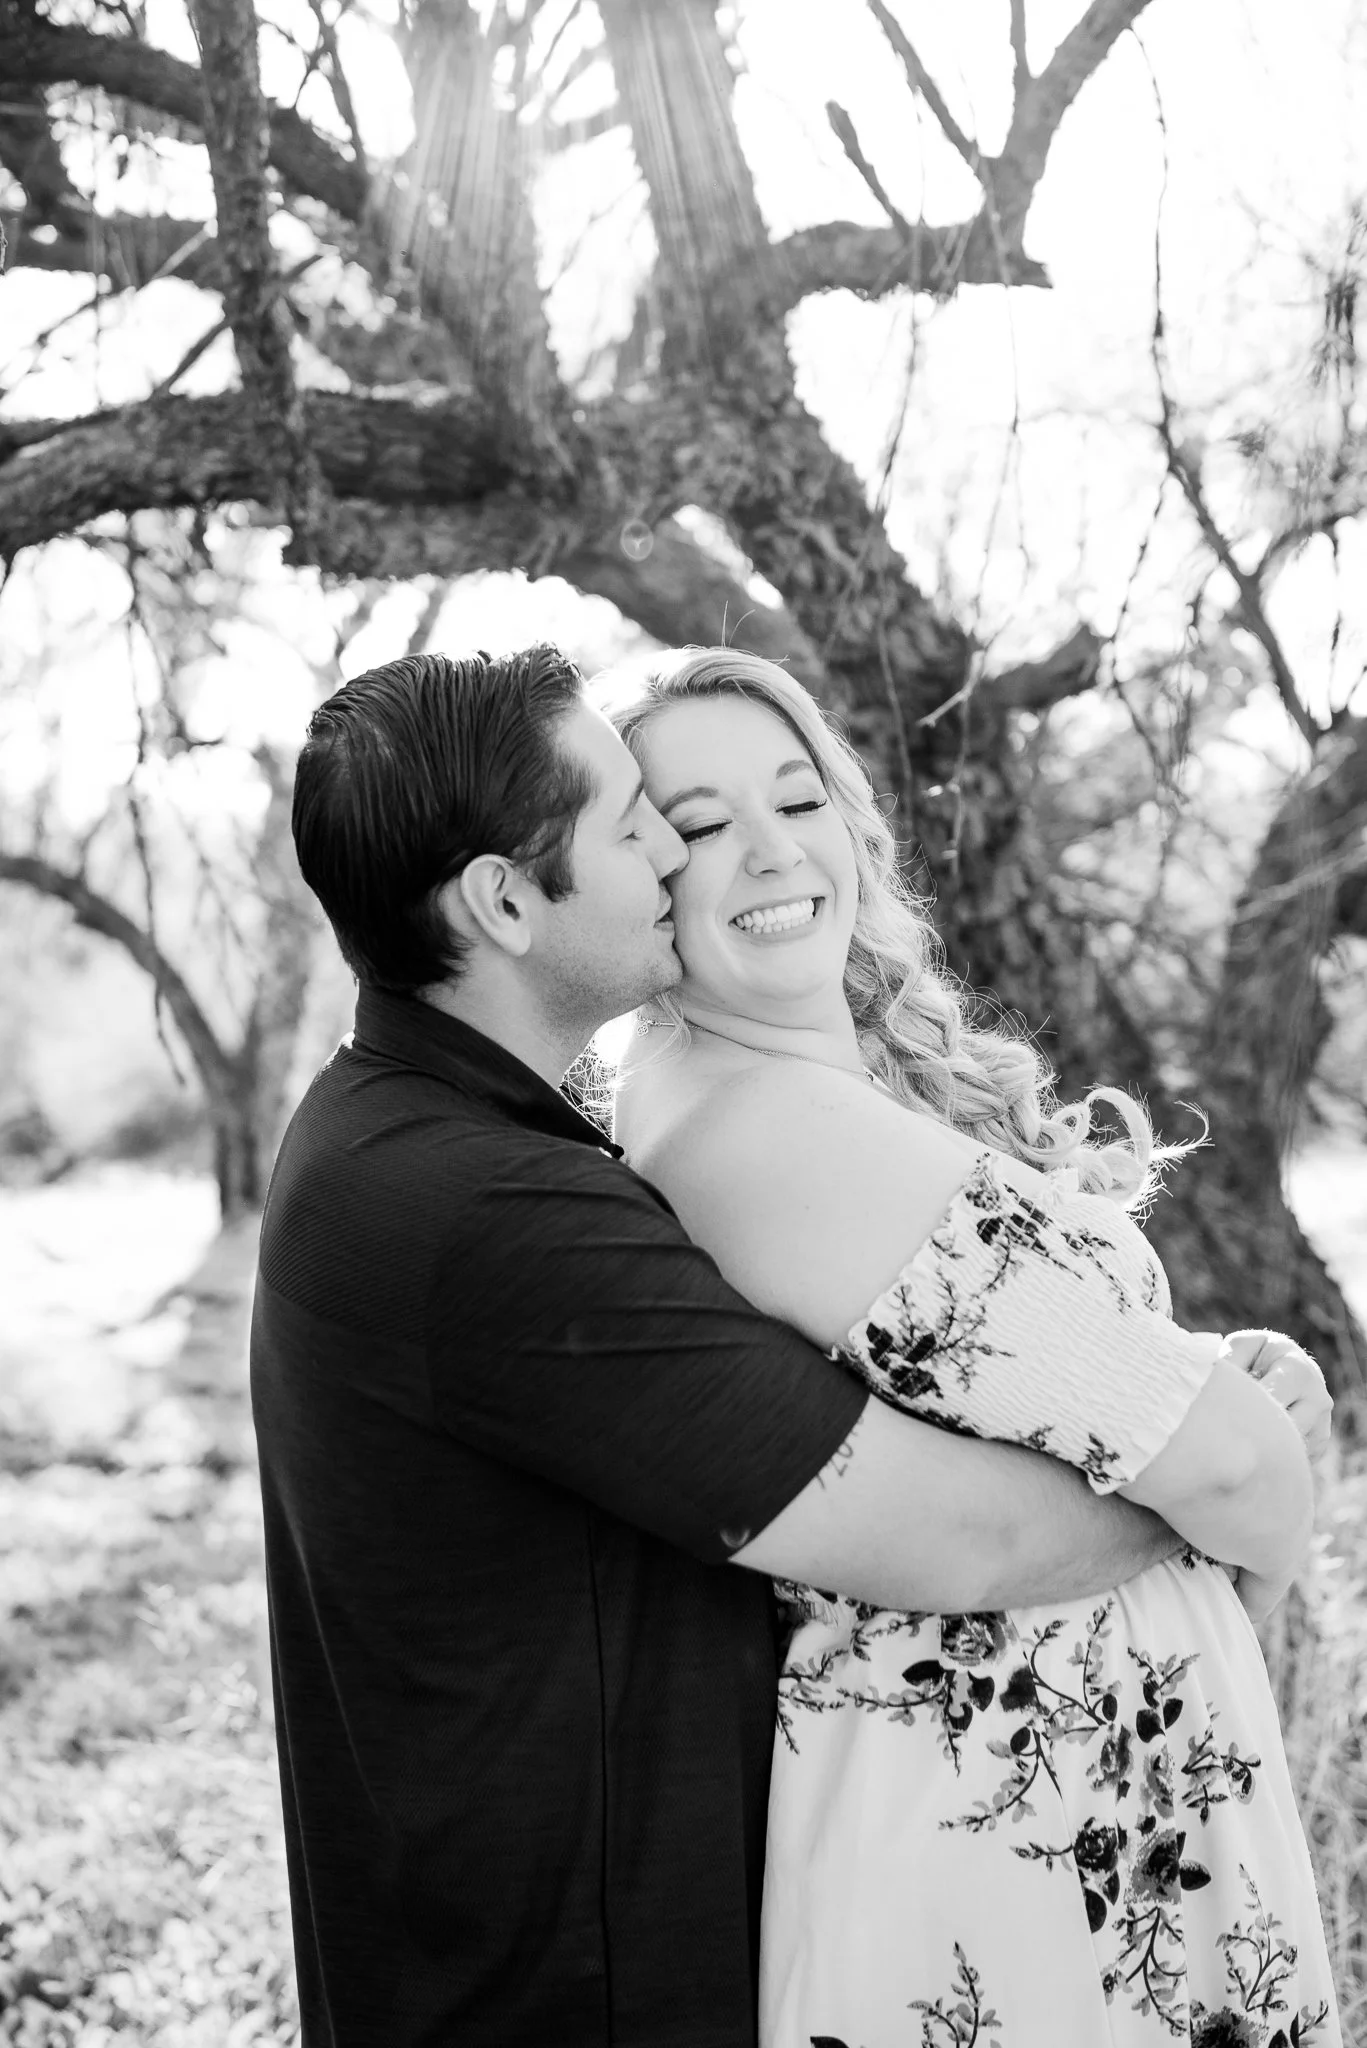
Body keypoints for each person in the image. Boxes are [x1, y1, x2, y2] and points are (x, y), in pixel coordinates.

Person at [252, 645, 1212, 2048]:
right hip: (564, 2000)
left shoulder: (402, 1130)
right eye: (639, 824)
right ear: (504, 901)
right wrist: (1195, 1478)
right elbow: (961, 1538)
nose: (670, 856)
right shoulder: (483, 1211)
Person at [602, 646, 1341, 2048]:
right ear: (637, 876)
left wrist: (1205, 1382)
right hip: (1016, 1842)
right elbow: (1237, 1481)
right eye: (699, 824)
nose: (772, 849)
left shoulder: (804, 1087)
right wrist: (1232, 1478)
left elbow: (1020, 1398)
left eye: (797, 799)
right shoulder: (764, 1128)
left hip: (1082, 1793)